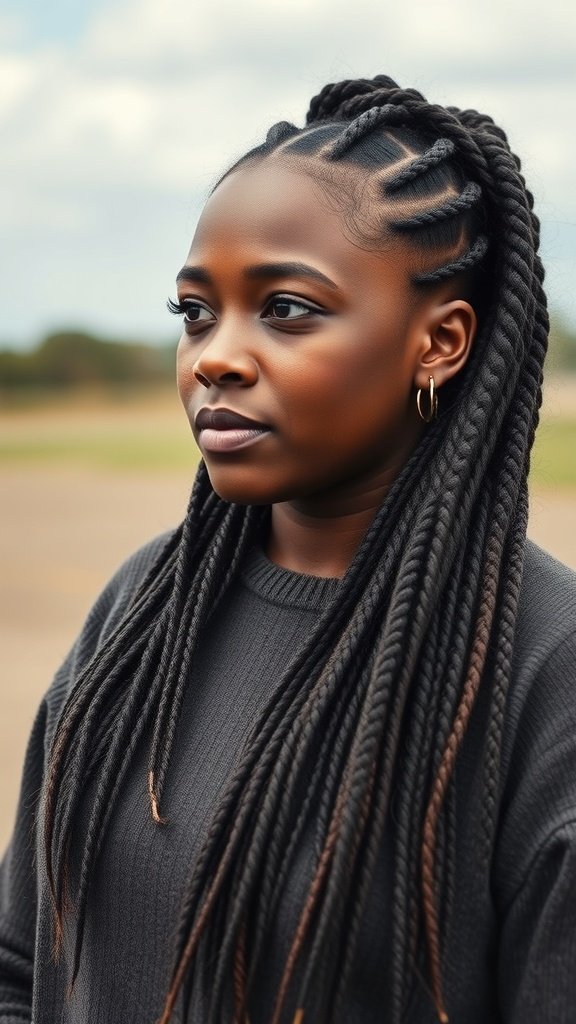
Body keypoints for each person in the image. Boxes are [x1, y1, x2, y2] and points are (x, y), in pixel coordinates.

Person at [1, 74, 575, 1024]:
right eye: (196, 312)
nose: (215, 356)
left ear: (440, 342)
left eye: (288, 309)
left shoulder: (538, 668)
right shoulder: (146, 607)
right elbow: (23, 961)